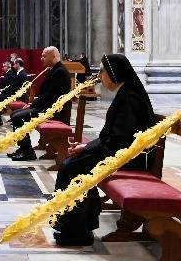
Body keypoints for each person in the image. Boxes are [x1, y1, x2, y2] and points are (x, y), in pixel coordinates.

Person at [51, 54, 153, 246]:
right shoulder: (126, 93)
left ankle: (78, 229)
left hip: (126, 158)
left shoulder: (130, 98)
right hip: (117, 152)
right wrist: (86, 147)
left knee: (72, 167)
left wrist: (87, 148)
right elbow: (112, 137)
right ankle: (76, 224)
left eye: (102, 71)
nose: (99, 76)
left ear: (115, 73)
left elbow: (119, 139)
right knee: (70, 164)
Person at [7, 47, 72, 161]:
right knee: (14, 114)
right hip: (47, 108)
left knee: (17, 117)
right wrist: (32, 104)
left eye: (44, 56)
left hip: (55, 112)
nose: (41, 58)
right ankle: (23, 148)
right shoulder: (54, 70)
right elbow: (46, 95)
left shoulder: (60, 72)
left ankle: (28, 152)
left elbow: (50, 97)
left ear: (53, 56)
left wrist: (32, 105)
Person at [0, 59, 26, 127]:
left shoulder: (21, 74)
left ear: (18, 64)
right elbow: (12, 86)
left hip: (16, 95)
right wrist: (2, 91)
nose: (13, 66)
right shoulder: (20, 72)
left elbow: (13, 87)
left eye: (14, 64)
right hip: (15, 93)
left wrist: (2, 91)